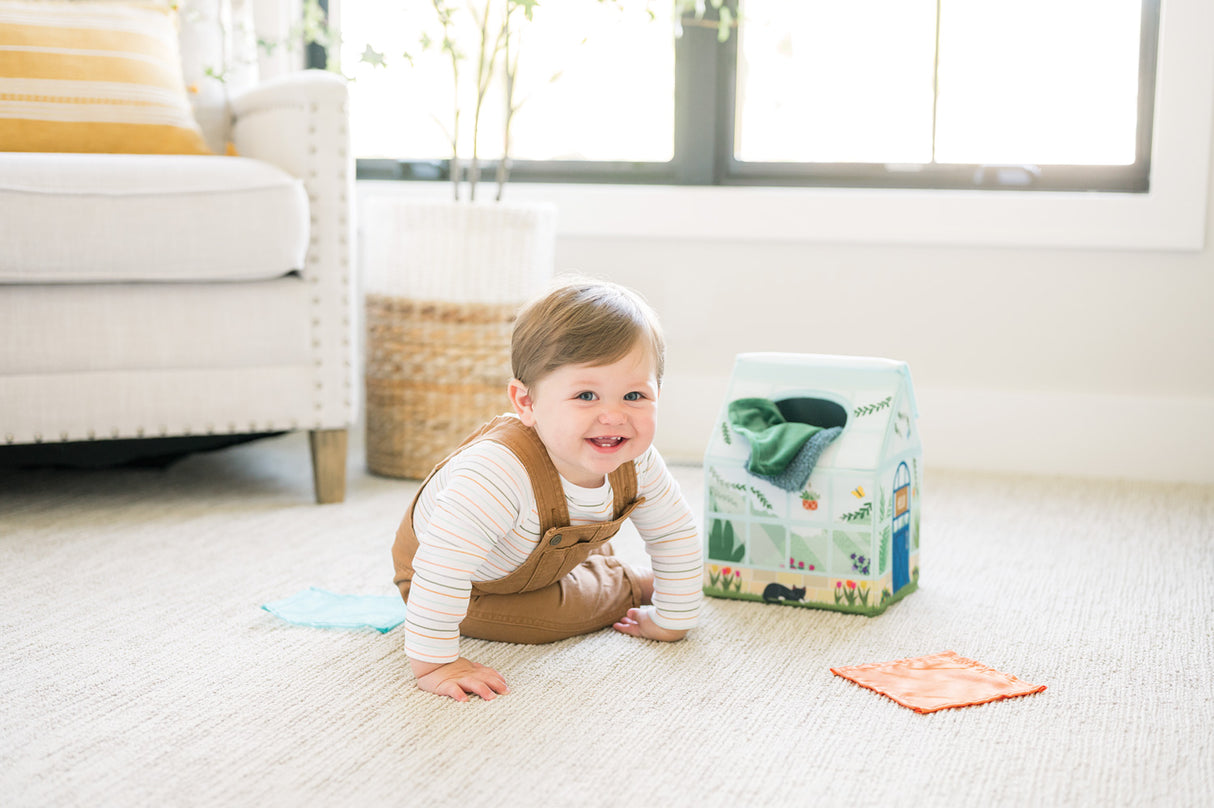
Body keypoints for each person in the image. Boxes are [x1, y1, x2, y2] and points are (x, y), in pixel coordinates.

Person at [392, 277, 703, 702]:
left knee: (590, 539)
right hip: (466, 582)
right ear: (527, 403)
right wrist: (435, 664)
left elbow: (675, 533)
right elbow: (443, 566)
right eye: (586, 395)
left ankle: (610, 575)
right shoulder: (498, 474)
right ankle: (628, 584)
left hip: (532, 551)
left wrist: (673, 618)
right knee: (553, 616)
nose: (613, 416)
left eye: (634, 395)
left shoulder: (637, 460)